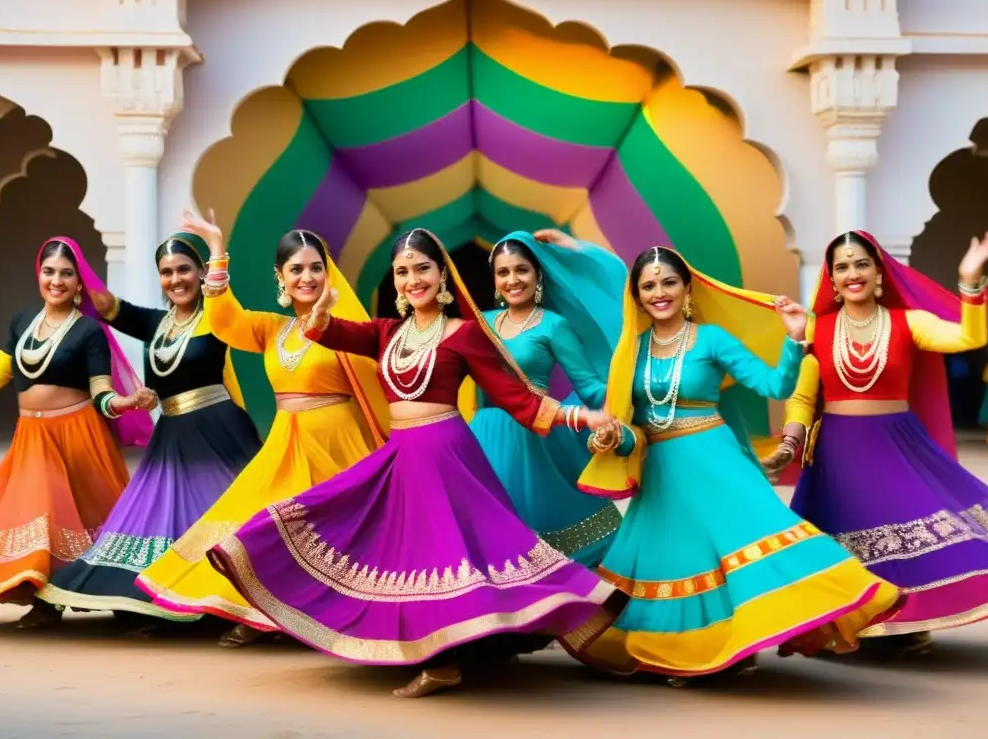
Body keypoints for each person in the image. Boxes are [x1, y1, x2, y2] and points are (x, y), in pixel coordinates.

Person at [207, 228, 623, 699]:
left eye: (422, 268)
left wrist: (578, 416)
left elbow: (518, 399)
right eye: (402, 272)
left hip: (447, 458)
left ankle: (445, 662)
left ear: (442, 274)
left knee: (447, 557)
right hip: (401, 457)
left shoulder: (465, 334)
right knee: (371, 543)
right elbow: (330, 332)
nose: (412, 280)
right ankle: (436, 653)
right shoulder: (386, 333)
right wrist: (320, 312)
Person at [562, 246, 901, 686]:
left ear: (687, 289)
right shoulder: (632, 350)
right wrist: (611, 435)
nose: (659, 292)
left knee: (744, 546)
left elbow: (774, 384)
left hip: (716, 463)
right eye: (648, 285)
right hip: (664, 474)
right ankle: (695, 653)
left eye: (668, 283)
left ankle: (738, 646)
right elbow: (632, 424)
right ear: (638, 296)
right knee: (680, 560)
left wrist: (795, 339)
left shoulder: (712, 339)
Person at [136, 215, 389, 648]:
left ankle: (334, 618)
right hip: (286, 445)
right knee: (254, 528)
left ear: (328, 275)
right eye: (296, 269)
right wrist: (216, 247)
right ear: (281, 278)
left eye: (315, 268)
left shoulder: (346, 330)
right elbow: (225, 321)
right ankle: (260, 613)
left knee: (345, 536)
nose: (306, 277)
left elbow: (379, 389)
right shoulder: (273, 329)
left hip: (338, 444)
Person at [764, 230, 988, 656]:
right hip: (837, 453)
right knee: (846, 536)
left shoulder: (908, 321)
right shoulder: (816, 328)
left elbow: (969, 339)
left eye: (861, 264)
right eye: (841, 267)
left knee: (909, 528)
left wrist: (969, 278)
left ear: (878, 273)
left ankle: (905, 622)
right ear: (831, 279)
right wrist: (788, 445)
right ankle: (853, 626)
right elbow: (802, 398)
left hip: (896, 446)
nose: (852, 274)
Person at [37, 232, 261, 633]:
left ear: (199, 272)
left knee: (223, 522)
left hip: (217, 433)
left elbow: (218, 290)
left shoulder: (218, 317)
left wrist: (214, 248)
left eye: (184, 270)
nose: (176, 279)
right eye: (166, 272)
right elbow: (106, 306)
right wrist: (70, 255)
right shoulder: (155, 323)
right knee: (156, 524)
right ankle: (165, 600)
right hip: (172, 435)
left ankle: (223, 604)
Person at [0, 237, 155, 626]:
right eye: (49, 271)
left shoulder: (88, 331)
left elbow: (101, 393)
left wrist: (127, 403)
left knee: (89, 521)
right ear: (38, 274)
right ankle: (44, 600)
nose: (56, 280)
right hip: (31, 437)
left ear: (79, 284)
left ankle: (106, 600)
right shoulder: (22, 323)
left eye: (66, 274)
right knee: (36, 516)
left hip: (77, 436)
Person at [461, 229, 624, 567]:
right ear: (494, 280)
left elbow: (589, 385)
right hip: (482, 436)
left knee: (533, 540)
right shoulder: (480, 324)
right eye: (503, 272)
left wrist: (619, 398)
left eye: (521, 269)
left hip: (533, 436)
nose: (513, 279)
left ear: (538, 275)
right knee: (480, 541)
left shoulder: (553, 325)